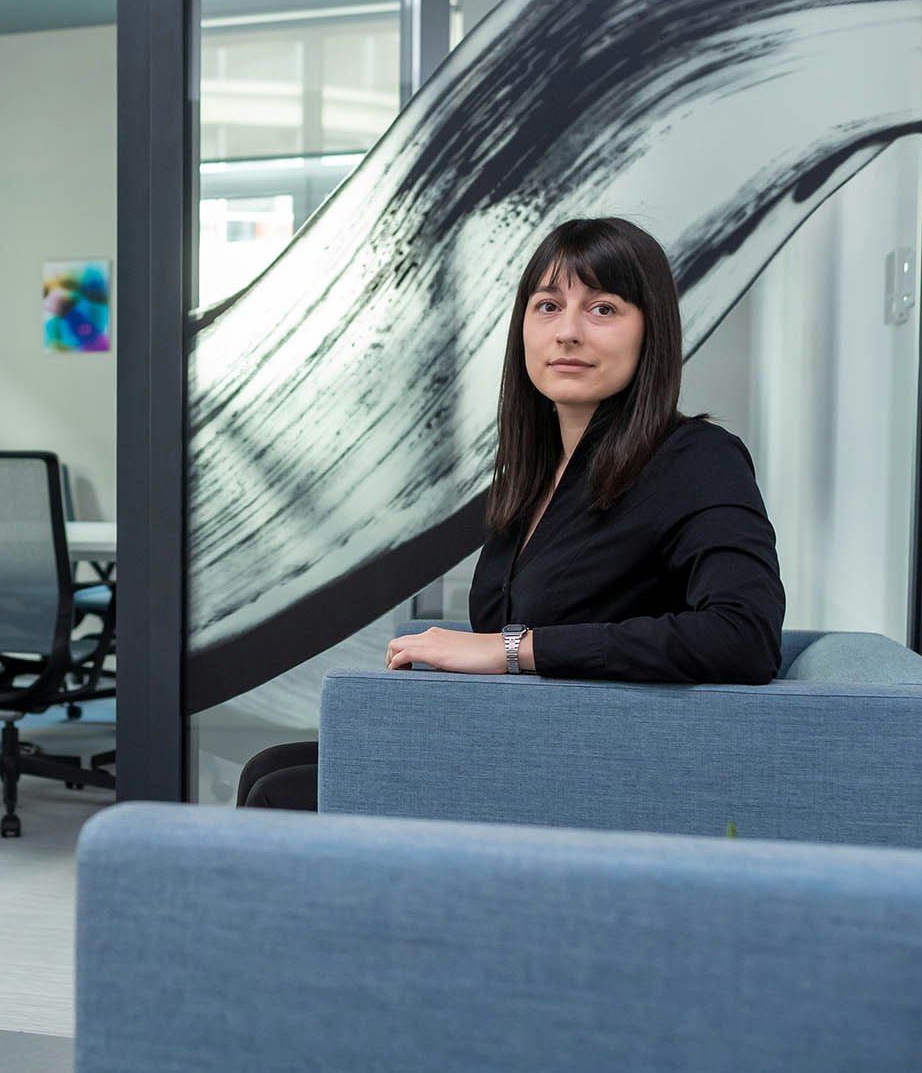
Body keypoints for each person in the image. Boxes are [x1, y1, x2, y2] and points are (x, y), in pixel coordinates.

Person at [237, 216, 785, 811]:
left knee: (281, 795)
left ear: (651, 332)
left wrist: (512, 648)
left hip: (588, 766)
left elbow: (744, 635)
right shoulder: (537, 471)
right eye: (548, 306)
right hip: (518, 738)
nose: (567, 333)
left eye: (602, 309)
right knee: (268, 769)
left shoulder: (696, 459)